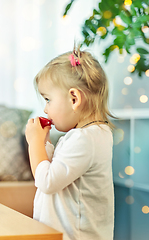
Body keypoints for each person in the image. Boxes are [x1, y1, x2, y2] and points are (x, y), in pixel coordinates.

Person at [25, 46, 114, 240]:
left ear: (74, 98)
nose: (46, 110)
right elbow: (59, 171)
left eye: (48, 100)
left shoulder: (84, 139)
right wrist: (45, 142)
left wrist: (34, 143)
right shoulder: (91, 135)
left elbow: (47, 182)